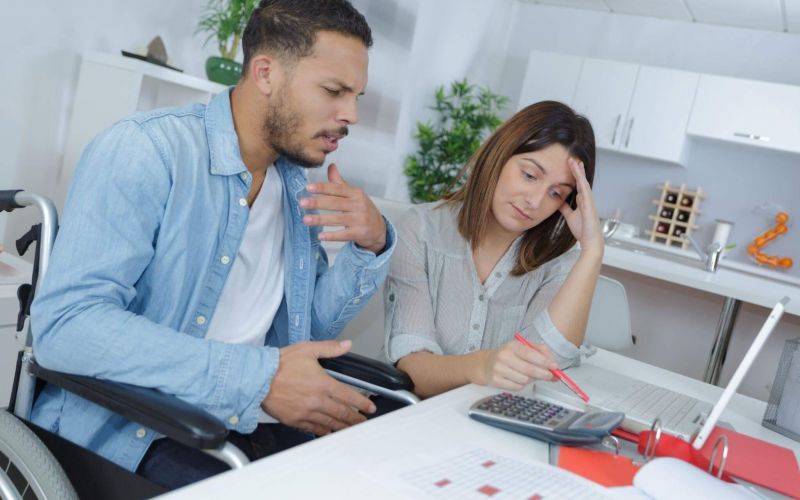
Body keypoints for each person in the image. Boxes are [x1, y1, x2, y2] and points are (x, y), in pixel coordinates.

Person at [30, 0, 395, 490]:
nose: (350, 114)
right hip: (139, 431)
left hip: (250, 424)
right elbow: (66, 327)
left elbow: (304, 330)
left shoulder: (297, 187)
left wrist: (369, 247)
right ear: (265, 72)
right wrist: (256, 377)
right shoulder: (146, 151)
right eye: (334, 90)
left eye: (357, 96)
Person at [385, 100, 599, 398]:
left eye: (555, 193)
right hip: (418, 420)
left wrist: (591, 252)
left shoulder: (559, 263)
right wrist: (481, 366)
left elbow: (548, 365)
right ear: (500, 155)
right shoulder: (419, 231)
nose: (535, 201)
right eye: (529, 175)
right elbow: (412, 371)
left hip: (499, 428)